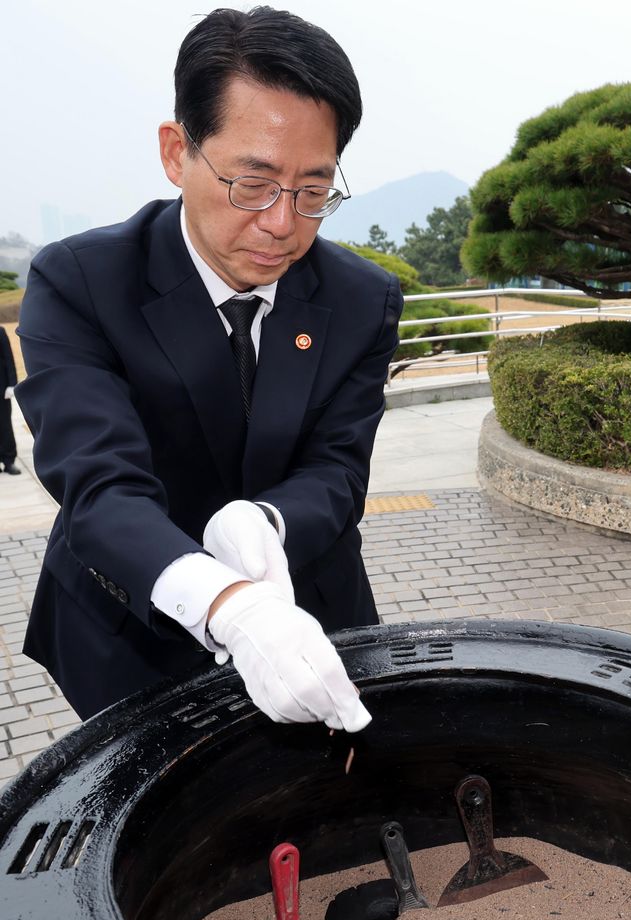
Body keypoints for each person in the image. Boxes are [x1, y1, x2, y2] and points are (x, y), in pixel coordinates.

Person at [16, 6, 401, 728]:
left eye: (314, 191)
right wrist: (229, 604)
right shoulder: (81, 282)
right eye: (251, 184)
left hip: (308, 602)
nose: (283, 223)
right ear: (176, 151)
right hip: (134, 626)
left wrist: (269, 521)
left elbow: (339, 470)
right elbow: (100, 486)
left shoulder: (360, 298)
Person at [0, 325, 21, 475]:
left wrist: (12, 384)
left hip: (1, 390)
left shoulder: (0, 331)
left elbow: (9, 357)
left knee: (5, 425)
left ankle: (9, 461)